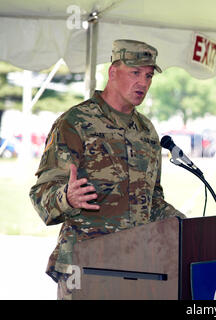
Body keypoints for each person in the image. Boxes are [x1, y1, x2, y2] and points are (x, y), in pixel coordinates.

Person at [29, 39, 185, 299]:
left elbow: (152, 201)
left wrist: (189, 227)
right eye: (135, 73)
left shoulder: (146, 131)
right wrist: (66, 197)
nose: (143, 83)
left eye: (148, 76)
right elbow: (41, 195)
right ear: (113, 72)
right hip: (86, 266)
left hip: (137, 267)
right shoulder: (75, 123)